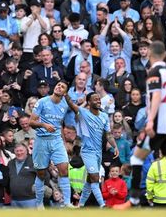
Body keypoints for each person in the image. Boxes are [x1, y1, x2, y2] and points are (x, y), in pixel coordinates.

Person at [115, 41, 166, 210]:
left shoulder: (155, 71)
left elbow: (156, 95)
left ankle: (133, 198)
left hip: (159, 124)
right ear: (164, 55)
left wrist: (150, 121)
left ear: (150, 54)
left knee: (136, 157)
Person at [29, 79, 79, 208]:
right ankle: (39, 202)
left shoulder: (64, 104)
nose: (59, 87)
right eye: (58, 85)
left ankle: (67, 202)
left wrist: (63, 141)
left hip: (56, 140)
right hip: (41, 140)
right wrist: (44, 125)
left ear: (65, 92)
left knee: (64, 169)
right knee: (41, 173)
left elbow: (76, 111)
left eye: (62, 87)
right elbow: (31, 122)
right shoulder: (42, 102)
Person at [76, 92, 119, 207]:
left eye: (99, 99)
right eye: (95, 99)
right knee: (95, 177)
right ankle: (102, 205)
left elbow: (109, 135)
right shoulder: (84, 112)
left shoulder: (104, 116)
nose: (98, 101)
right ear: (89, 102)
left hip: (98, 152)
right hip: (87, 151)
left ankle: (80, 205)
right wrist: (66, 96)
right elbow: (73, 106)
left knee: (90, 180)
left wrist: (115, 146)